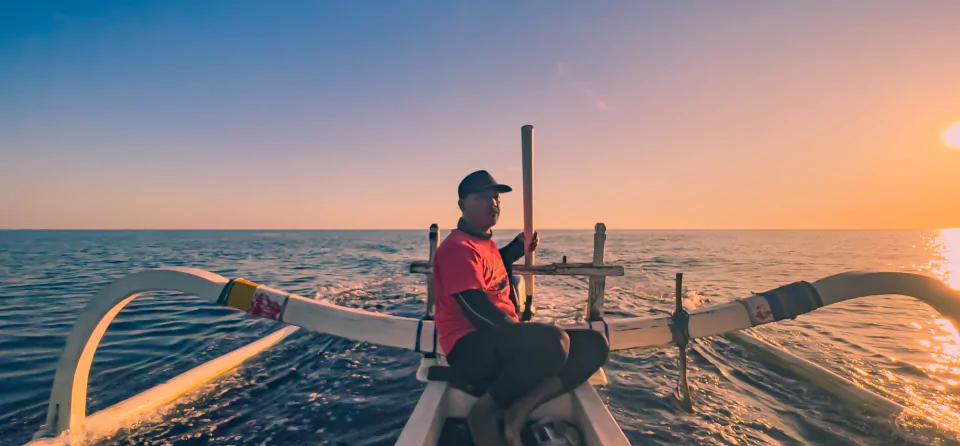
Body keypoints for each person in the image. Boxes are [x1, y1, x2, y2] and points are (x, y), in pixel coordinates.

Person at [432, 170, 610, 446]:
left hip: (495, 344)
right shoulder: (457, 248)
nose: (493, 203)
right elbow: (477, 310)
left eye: (496, 198)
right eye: (482, 197)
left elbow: (493, 268)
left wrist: (516, 248)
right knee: (552, 342)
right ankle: (485, 412)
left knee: (594, 345)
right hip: (469, 351)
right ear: (462, 205)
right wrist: (526, 339)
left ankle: (519, 410)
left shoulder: (483, 243)